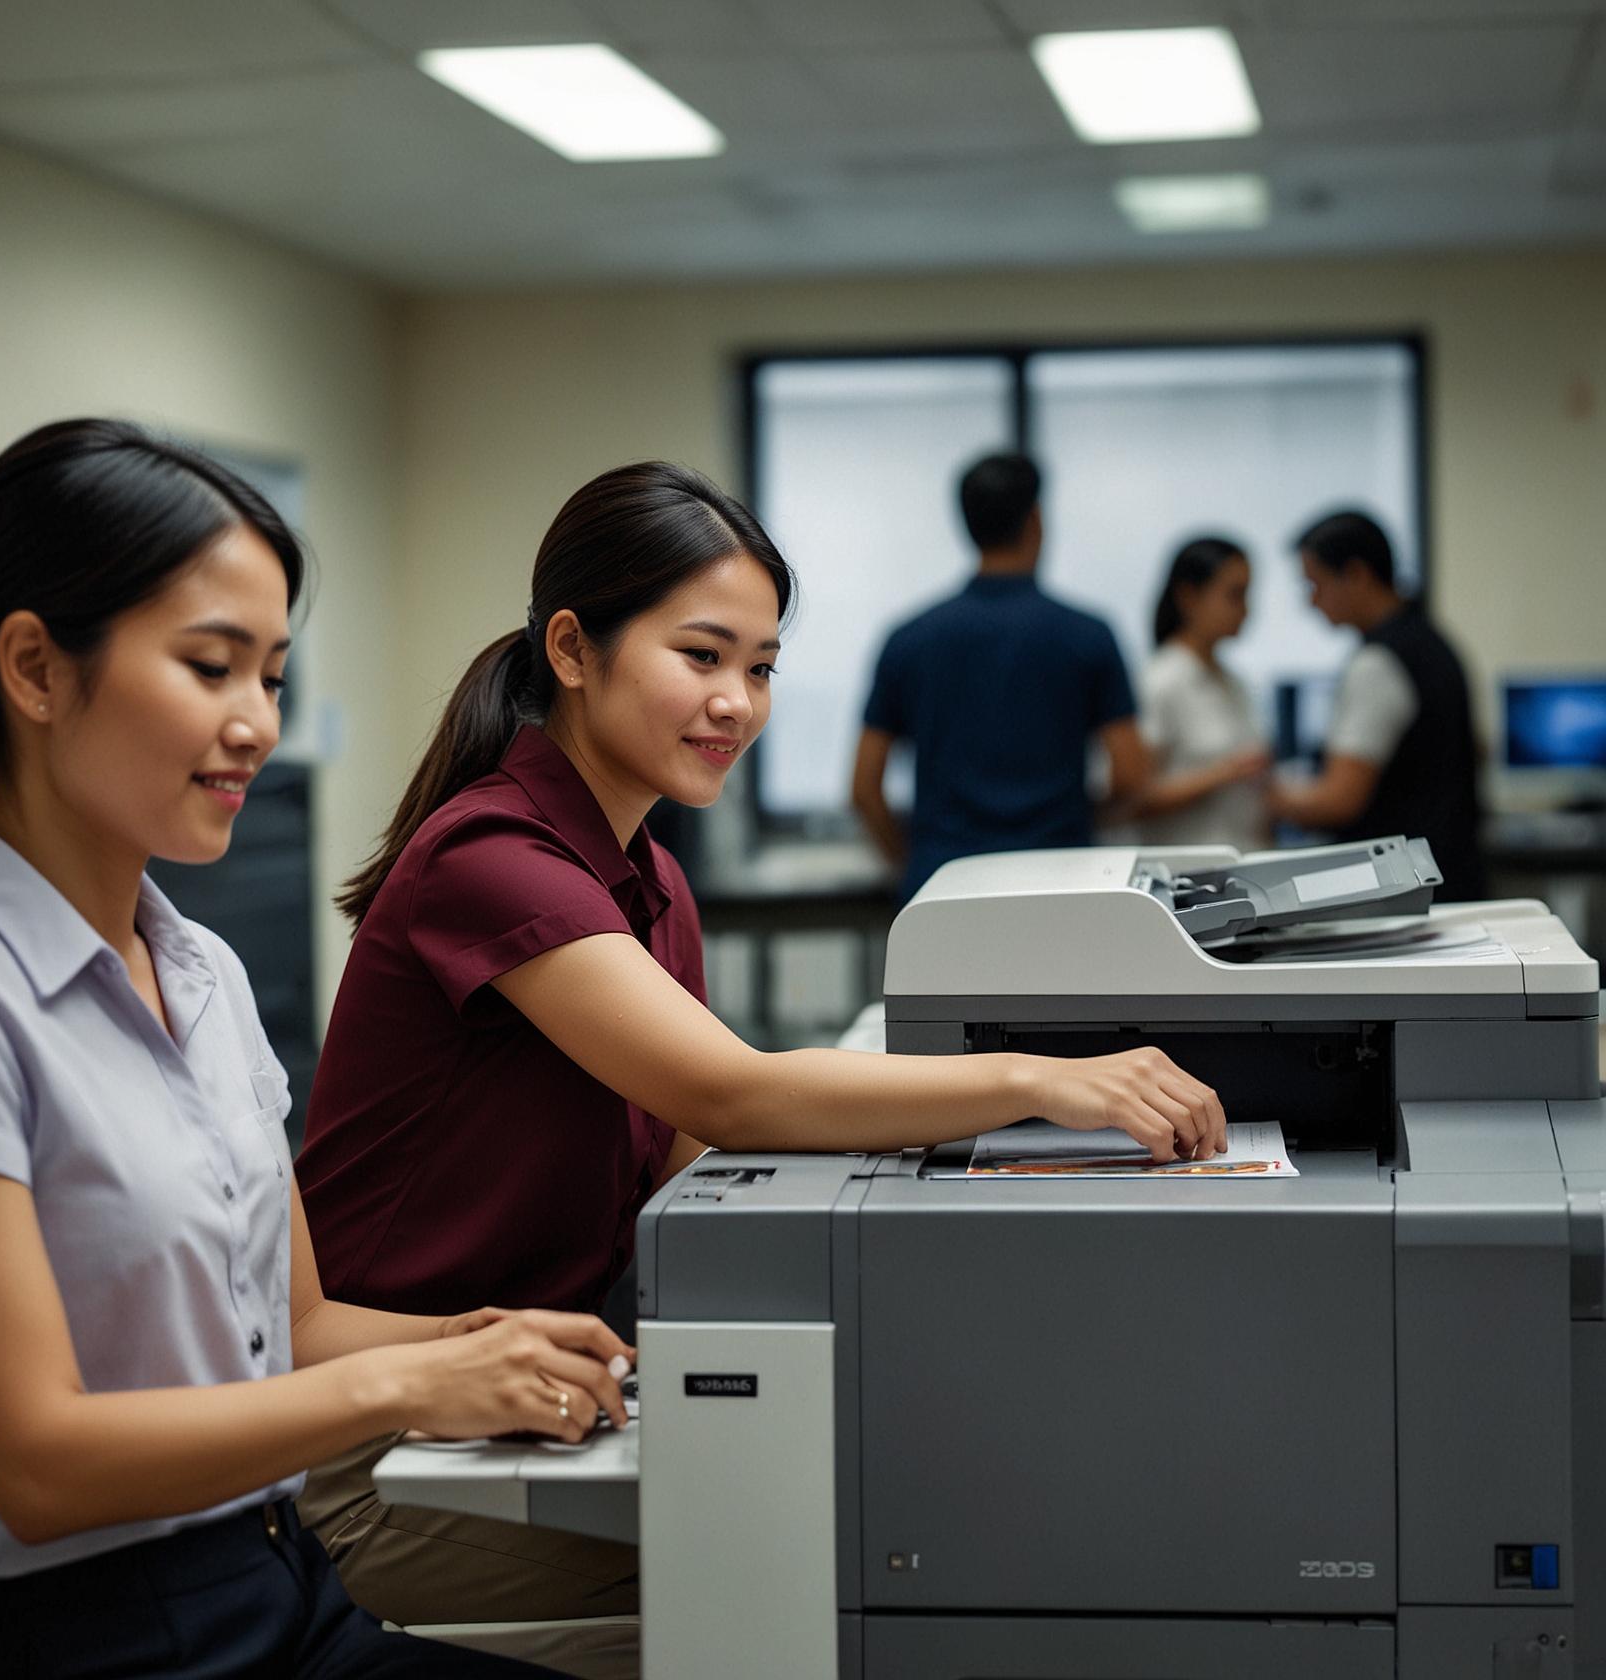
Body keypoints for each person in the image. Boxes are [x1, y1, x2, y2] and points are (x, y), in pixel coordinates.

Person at [295, 461, 1226, 1637]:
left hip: (534, 1404)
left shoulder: (649, 879)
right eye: (701, 656)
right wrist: (1039, 1083)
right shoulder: (490, 858)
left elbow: (693, 1155)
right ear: (573, 650)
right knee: (842, 1576)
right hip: (380, 1453)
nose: (737, 699)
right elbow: (730, 1093)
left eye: (763, 666)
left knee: (922, 1506)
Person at [0, 419, 636, 1680]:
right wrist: (414, 1394)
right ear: (34, 668)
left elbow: (289, 1327)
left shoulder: (201, 970)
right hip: (79, 1639)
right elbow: (36, 1465)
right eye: (212, 668)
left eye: (272, 675)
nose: (257, 723)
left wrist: (485, 1340)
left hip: (277, 1582)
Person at [851, 452, 1148, 902]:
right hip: (1062, 884)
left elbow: (864, 787)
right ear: (1036, 520)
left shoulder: (908, 639)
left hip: (943, 886)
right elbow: (1129, 773)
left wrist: (913, 860)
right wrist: (1073, 821)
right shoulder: (1088, 635)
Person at [1267, 510, 1487, 900]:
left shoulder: (1378, 663)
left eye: (1315, 584)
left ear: (1356, 574)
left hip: (1404, 892)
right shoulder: (1435, 643)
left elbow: (1339, 801)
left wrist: (1264, 794)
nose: (1312, 601)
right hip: (1453, 871)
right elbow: (1479, 750)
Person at [1129, 538, 1269, 850]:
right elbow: (1134, 799)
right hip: (1190, 874)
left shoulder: (1234, 682)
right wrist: (1225, 772)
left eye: (1247, 595)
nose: (1246, 609)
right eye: (1234, 595)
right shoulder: (1159, 681)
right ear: (1189, 597)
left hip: (1247, 862)